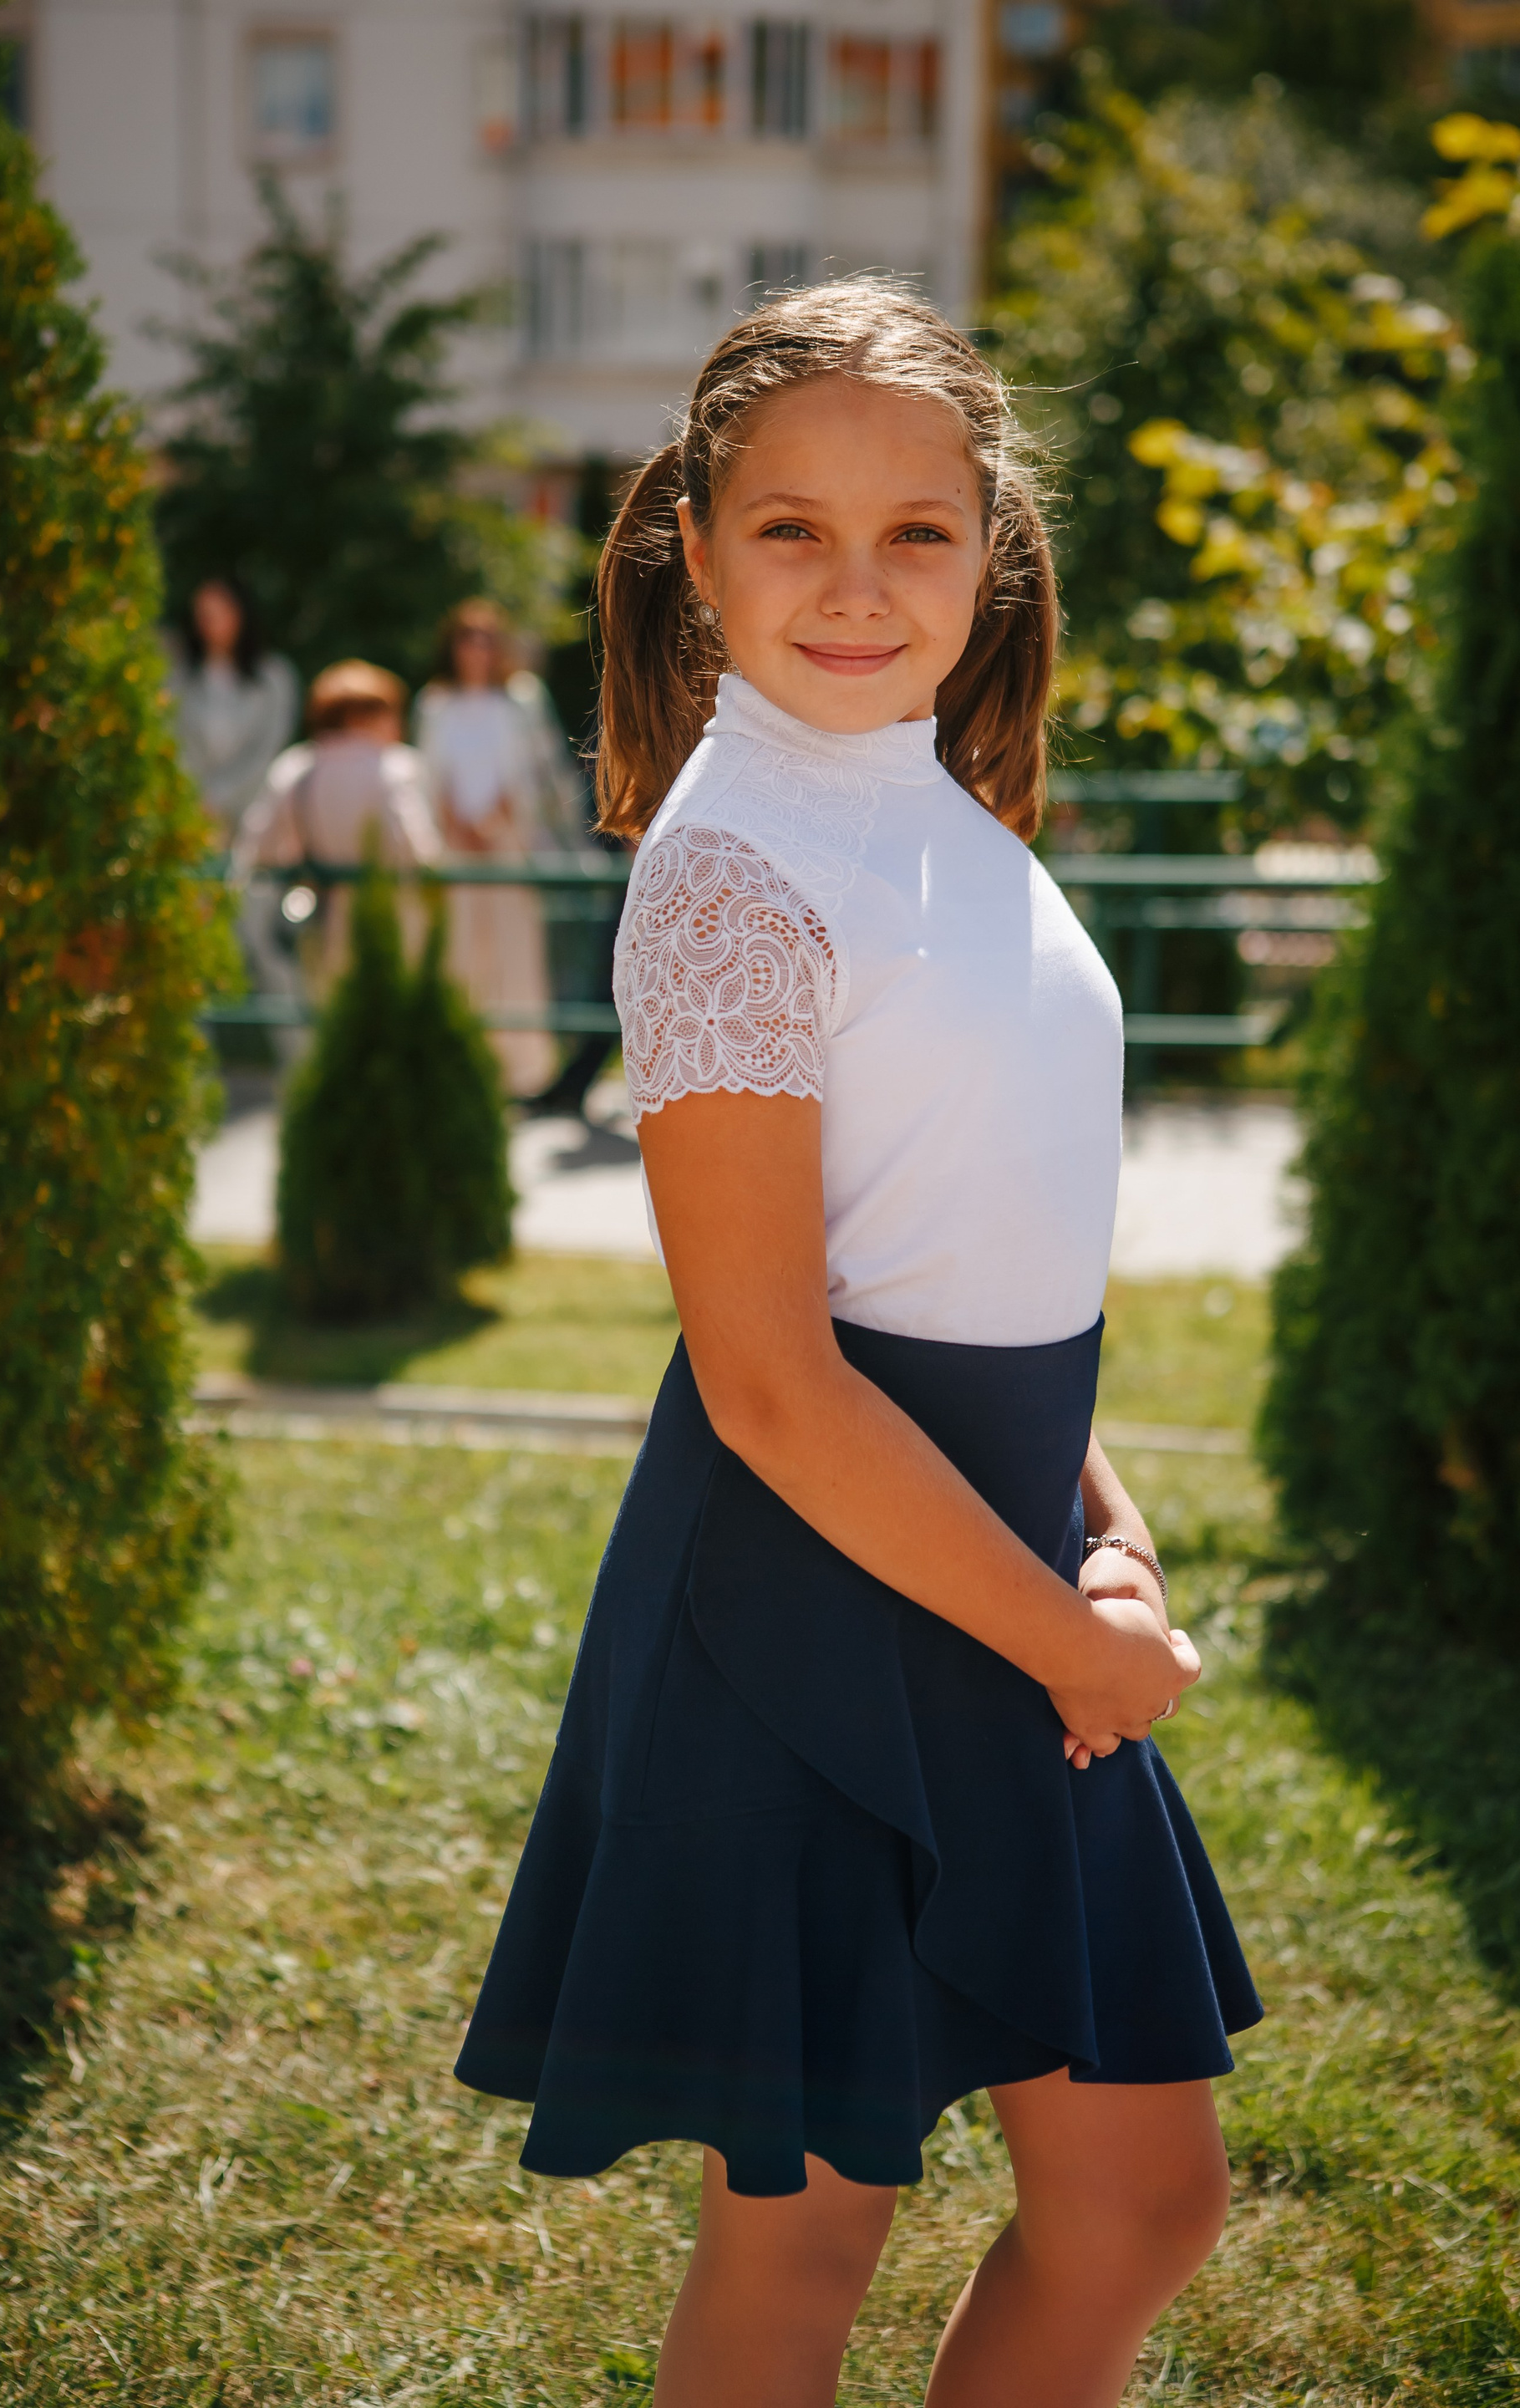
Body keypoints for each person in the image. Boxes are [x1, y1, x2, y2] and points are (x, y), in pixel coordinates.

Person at [454, 282, 1262, 2408]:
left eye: (915, 531)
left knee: (1138, 2199)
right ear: (696, 550)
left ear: (991, 549)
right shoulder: (734, 868)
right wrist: (1071, 1638)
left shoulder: (945, 815)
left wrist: (1107, 1527)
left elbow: (973, 1244)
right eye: (790, 530)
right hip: (811, 1608)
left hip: (1004, 1571)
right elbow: (772, 1378)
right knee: (808, 2232)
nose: (854, 585)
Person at [414, 598, 583, 1098]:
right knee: (459, 954)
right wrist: (455, 823)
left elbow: (541, 771)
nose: (477, 650)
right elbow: (427, 772)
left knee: (513, 954)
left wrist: (501, 820)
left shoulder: (521, 700)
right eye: (468, 639)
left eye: (486, 639)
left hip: (510, 842)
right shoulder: (434, 704)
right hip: (453, 846)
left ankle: (519, 1074)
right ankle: (456, 1065)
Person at [235, 660, 444, 1029]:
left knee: (326, 1023)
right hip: (387, 920)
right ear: (365, 716)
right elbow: (420, 852)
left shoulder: (297, 766)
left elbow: (258, 849)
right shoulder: (396, 767)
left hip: (320, 922)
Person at [167, 576, 299, 845]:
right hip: (186, 813)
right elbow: (171, 736)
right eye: (203, 615)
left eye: (220, 613)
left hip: (254, 815)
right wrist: (193, 797)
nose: (210, 623)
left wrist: (218, 797)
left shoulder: (275, 677)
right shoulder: (179, 675)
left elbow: (267, 748)